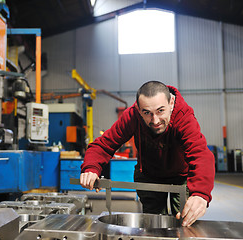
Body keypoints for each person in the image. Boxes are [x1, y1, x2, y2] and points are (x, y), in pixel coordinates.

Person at [80, 81, 215, 227]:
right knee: (153, 225)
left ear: (171, 102)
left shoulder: (184, 117)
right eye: (147, 113)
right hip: (149, 175)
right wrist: (91, 168)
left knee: (184, 222)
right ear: (138, 109)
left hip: (182, 176)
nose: (155, 120)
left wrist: (200, 193)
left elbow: (201, 154)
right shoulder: (131, 116)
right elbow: (103, 144)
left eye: (160, 111)